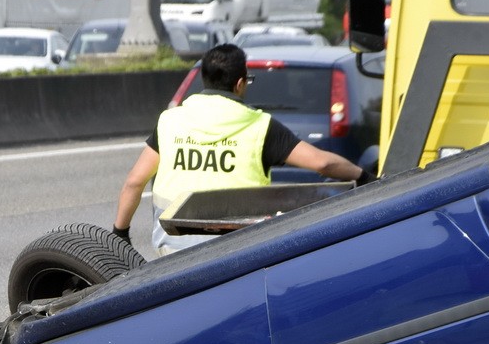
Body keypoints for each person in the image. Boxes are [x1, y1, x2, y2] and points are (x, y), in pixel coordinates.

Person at [113, 43, 375, 256]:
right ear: (240, 83)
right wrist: (363, 177)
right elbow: (322, 164)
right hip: (237, 255)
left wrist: (120, 234)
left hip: (172, 251)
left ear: (204, 78)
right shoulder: (259, 126)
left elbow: (134, 182)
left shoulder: (171, 120)